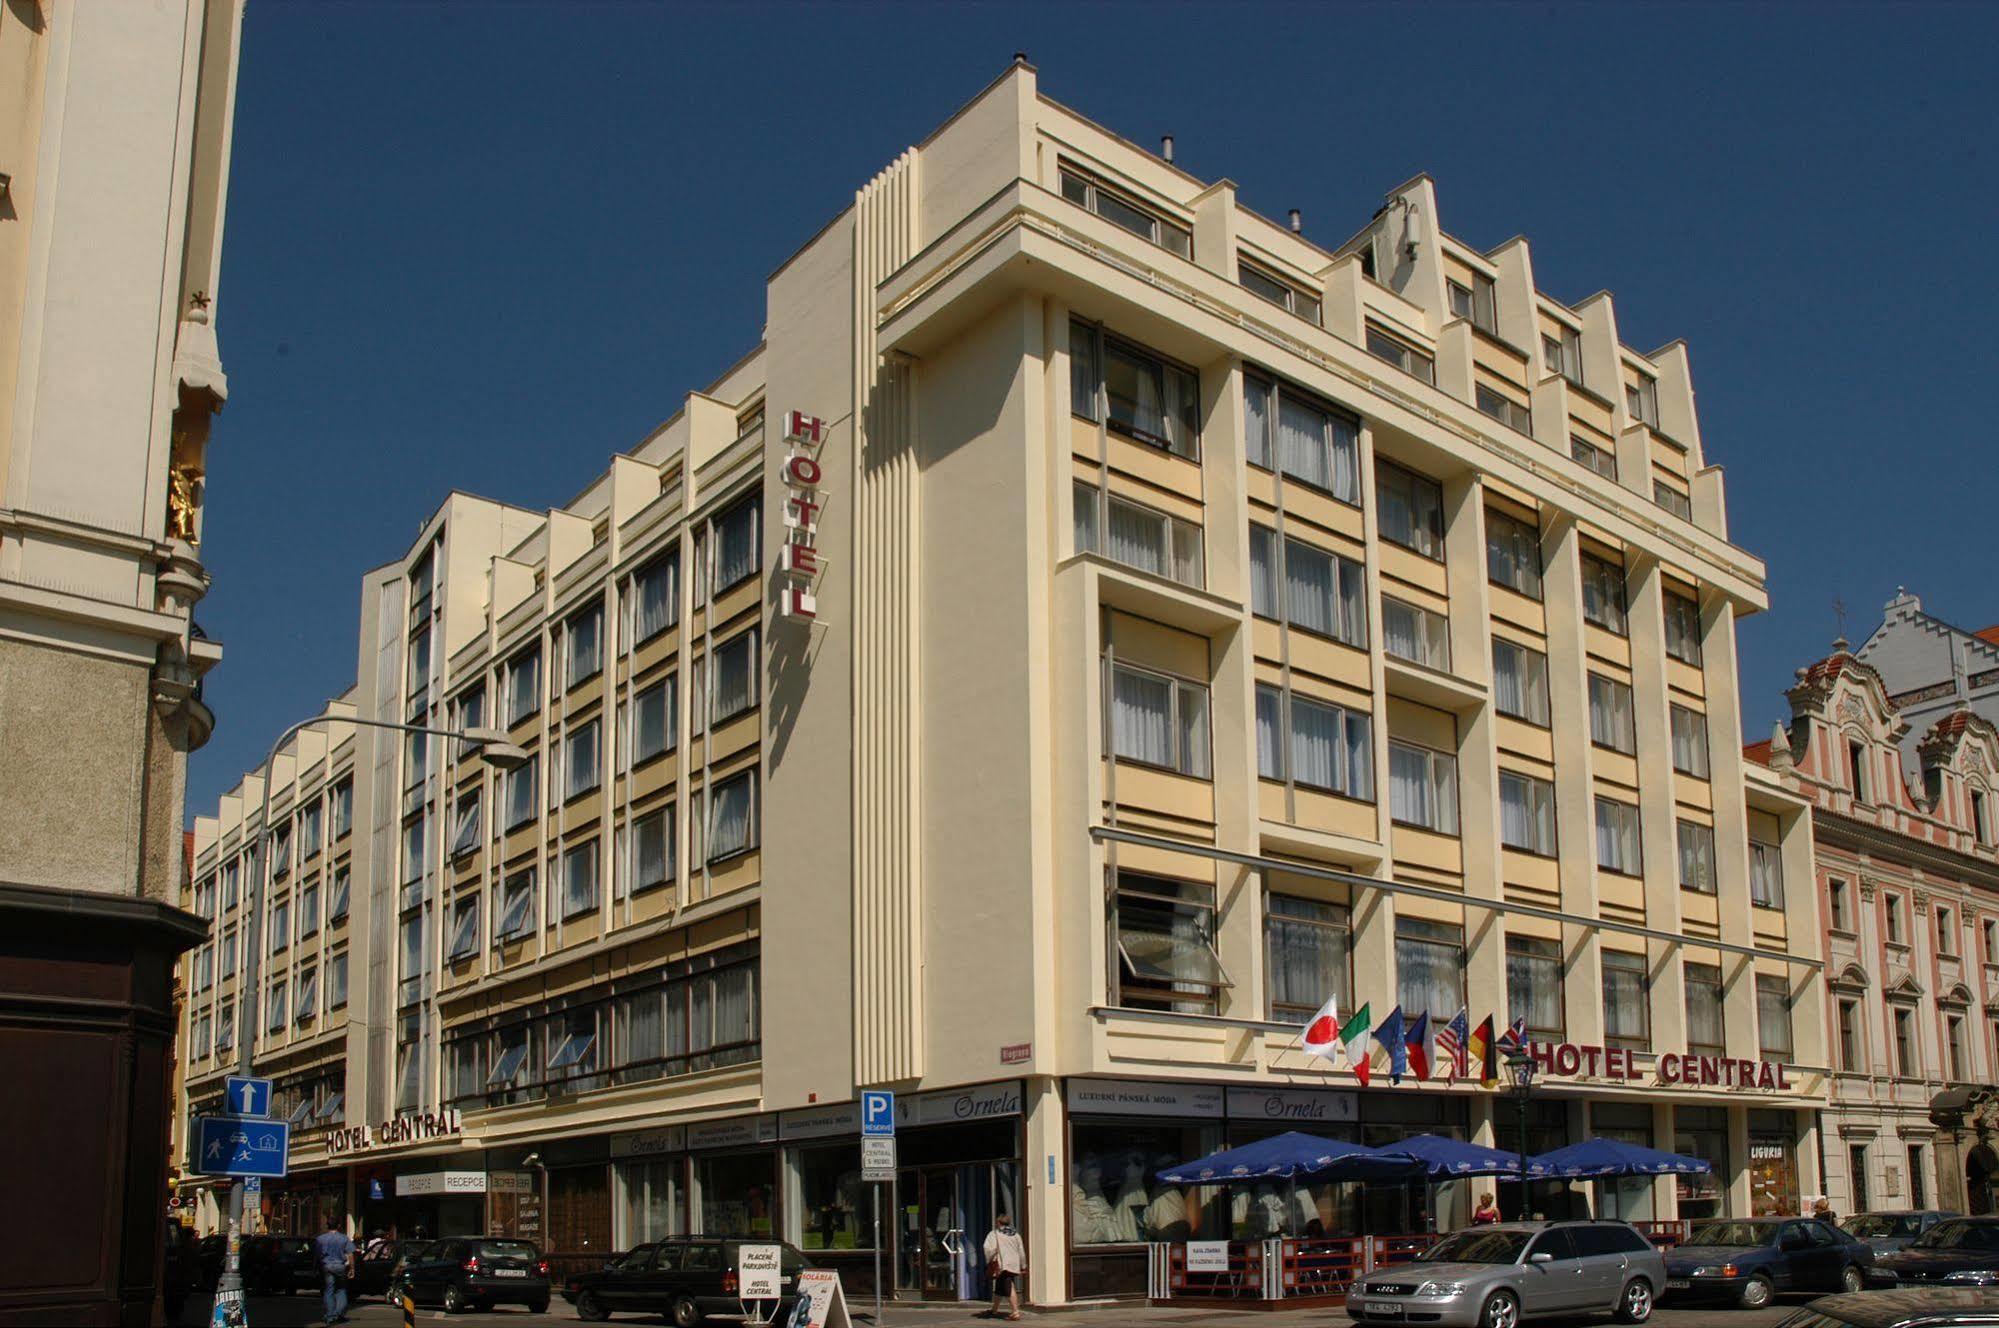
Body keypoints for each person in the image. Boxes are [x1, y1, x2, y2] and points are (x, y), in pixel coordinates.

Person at [983, 1213, 1026, 1321]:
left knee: (1009, 1286)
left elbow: (987, 1248)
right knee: (999, 1286)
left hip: (1003, 1265)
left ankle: (1015, 1312)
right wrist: (1023, 1266)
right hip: (1014, 1264)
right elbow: (1021, 1252)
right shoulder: (1016, 1235)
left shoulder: (994, 1234)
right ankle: (994, 1310)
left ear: (998, 1222)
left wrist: (990, 1258)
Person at [314, 1216, 355, 1326]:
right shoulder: (344, 1238)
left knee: (329, 1290)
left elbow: (317, 1255)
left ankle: (331, 1314)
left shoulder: (320, 1239)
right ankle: (339, 1313)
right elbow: (350, 1254)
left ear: (327, 1226)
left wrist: (315, 1268)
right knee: (341, 1289)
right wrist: (352, 1268)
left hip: (327, 1266)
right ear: (339, 1226)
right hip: (340, 1266)